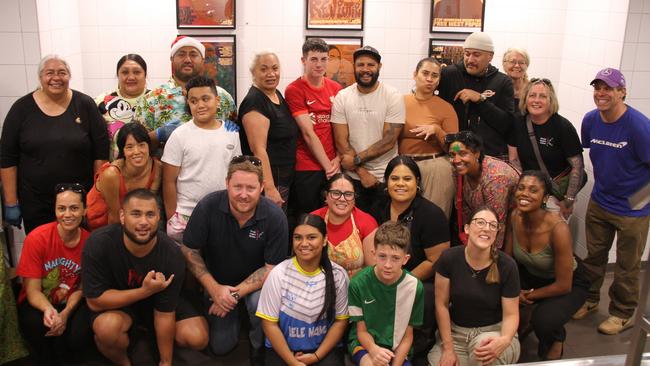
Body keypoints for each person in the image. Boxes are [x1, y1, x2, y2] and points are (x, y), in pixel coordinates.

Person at [178, 155, 288, 364]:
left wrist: (233, 296)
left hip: (256, 288)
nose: (243, 195)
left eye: (251, 188)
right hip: (217, 283)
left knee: (257, 303)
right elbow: (189, 249)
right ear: (227, 184)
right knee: (221, 347)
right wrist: (213, 288)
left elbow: (271, 268)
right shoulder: (208, 206)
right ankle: (235, 315)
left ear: (262, 187)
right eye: (237, 187)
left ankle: (258, 347)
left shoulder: (275, 217)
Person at [82, 189, 208, 365]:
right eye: (136, 214)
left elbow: (164, 313)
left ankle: (150, 344)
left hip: (157, 305)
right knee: (106, 329)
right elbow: (94, 301)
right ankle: (125, 362)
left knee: (197, 338)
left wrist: (165, 362)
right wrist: (144, 291)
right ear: (122, 216)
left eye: (150, 214)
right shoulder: (99, 243)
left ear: (158, 217)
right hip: (119, 306)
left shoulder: (171, 254)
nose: (143, 222)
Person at [574, 68, 650, 335]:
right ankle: (590, 299)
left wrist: (638, 202)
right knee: (593, 256)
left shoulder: (639, 126)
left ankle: (622, 314)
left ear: (622, 92)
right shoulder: (591, 120)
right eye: (597, 88)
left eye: (608, 88)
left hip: (633, 209)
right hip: (600, 201)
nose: (601, 93)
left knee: (627, 265)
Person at [1, 54, 109, 233]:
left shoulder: (85, 105)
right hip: (36, 202)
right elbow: (7, 158)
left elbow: (101, 154)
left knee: (78, 253)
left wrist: (96, 195)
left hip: (79, 202)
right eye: (49, 73)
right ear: (40, 77)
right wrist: (11, 201)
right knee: (43, 252)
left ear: (69, 76)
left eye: (62, 73)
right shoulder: (21, 109)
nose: (56, 78)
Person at [369, 156, 449, 358]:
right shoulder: (377, 208)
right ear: (386, 182)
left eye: (407, 179)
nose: (401, 184)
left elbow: (435, 261)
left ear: (417, 183)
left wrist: (402, 283)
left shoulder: (432, 214)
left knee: (426, 294)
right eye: (395, 178)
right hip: (383, 273)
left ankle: (415, 350)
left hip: (418, 279)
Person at [504, 171, 589, 360]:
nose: (525, 194)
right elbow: (508, 261)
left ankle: (556, 338)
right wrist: (514, 290)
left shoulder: (558, 228)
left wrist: (527, 295)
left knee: (544, 320)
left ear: (545, 197)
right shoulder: (514, 216)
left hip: (568, 283)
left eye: (533, 190)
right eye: (521, 188)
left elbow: (563, 284)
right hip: (533, 274)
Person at [428, 206, 520, 366]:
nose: (487, 228)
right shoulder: (449, 258)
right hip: (456, 333)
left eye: (493, 225)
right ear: (467, 228)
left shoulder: (507, 266)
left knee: (484, 356)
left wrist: (504, 340)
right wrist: (448, 348)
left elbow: (511, 314)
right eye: (481, 222)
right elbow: (441, 305)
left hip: (493, 332)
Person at [256, 214, 349, 365]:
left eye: (312, 237)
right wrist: (293, 362)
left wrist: (316, 356)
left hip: (323, 350)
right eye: (298, 238)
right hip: (283, 350)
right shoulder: (279, 273)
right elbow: (269, 323)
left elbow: (340, 321)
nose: (303, 243)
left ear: (325, 240)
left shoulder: (338, 275)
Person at [16, 183, 91, 365]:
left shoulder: (91, 243)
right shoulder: (37, 238)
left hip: (72, 302)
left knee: (77, 336)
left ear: (84, 210)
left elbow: (82, 289)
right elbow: (32, 291)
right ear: (55, 210)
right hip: (40, 301)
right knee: (38, 328)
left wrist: (65, 313)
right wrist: (49, 310)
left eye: (74, 208)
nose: (67, 215)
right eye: (61, 208)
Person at [162, 76, 241, 242]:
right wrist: (172, 217)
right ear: (188, 103)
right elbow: (168, 181)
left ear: (217, 100)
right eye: (194, 101)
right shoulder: (179, 135)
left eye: (206, 99)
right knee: (187, 263)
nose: (200, 105)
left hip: (222, 212)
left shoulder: (231, 133)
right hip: (186, 214)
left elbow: (236, 174)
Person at [331, 45, 405, 212]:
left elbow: (388, 141)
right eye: (361, 65)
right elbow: (341, 141)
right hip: (352, 178)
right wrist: (361, 171)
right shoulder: (342, 97)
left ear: (379, 67)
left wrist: (356, 160)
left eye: (370, 65)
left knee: (384, 230)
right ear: (354, 67)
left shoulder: (392, 96)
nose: (365, 69)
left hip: (386, 177)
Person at [134, 36, 236, 147]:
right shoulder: (151, 100)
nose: (187, 60)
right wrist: (158, 135)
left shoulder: (223, 97)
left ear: (202, 60)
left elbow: (235, 136)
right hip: (168, 164)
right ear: (172, 59)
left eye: (193, 55)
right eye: (181, 54)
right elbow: (136, 144)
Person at [348, 221, 424, 366]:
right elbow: (361, 332)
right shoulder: (358, 283)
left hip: (398, 347)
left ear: (405, 259)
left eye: (395, 258)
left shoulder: (414, 287)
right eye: (382, 256)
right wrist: (374, 350)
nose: (388, 265)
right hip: (365, 345)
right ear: (373, 254)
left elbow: (407, 337)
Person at [507, 78, 584, 219]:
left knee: (552, 239)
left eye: (543, 96)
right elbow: (513, 158)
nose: (536, 100)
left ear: (551, 101)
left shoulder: (562, 126)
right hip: (528, 193)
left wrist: (568, 200)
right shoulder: (518, 122)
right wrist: (524, 188)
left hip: (556, 196)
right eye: (532, 95)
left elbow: (577, 166)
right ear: (525, 98)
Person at [285, 38, 342, 218]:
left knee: (332, 217)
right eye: (314, 59)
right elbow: (308, 133)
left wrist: (339, 159)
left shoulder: (336, 88)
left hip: (334, 164)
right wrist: (329, 168)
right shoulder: (294, 89)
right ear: (304, 61)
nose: (319, 64)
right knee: (307, 220)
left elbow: (341, 128)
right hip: (307, 167)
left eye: (323, 59)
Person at [437, 32, 515, 160]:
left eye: (476, 55)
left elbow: (507, 124)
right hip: (455, 153)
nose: (470, 59)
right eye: (467, 54)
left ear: (490, 56)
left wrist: (481, 100)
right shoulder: (449, 75)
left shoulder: (502, 81)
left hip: (489, 156)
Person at [238, 51, 298, 209]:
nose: (271, 74)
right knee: (269, 228)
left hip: (284, 177)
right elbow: (258, 150)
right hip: (271, 182)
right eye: (263, 69)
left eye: (275, 68)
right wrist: (270, 188)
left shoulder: (275, 93)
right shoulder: (255, 101)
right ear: (253, 73)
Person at [400, 57, 459, 217]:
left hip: (436, 167)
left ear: (439, 80)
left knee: (434, 219)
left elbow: (456, 148)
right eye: (425, 73)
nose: (429, 79)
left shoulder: (446, 108)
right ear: (415, 74)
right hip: (404, 167)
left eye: (434, 75)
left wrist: (437, 130)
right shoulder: (399, 102)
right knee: (401, 220)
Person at [446, 131, 519, 248]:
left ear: (477, 154)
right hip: (484, 223)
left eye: (463, 153)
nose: (456, 160)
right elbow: (464, 208)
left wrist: (492, 257)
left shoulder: (495, 178)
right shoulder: (458, 171)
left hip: (512, 231)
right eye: (452, 155)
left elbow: (497, 224)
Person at [85, 123, 162, 231]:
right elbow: (114, 218)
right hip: (100, 224)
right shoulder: (111, 174)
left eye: (141, 145)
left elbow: (147, 205)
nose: (137, 151)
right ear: (123, 151)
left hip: (132, 223)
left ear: (148, 146)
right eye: (129, 147)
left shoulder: (157, 168)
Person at [312, 173, 378, 278]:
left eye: (348, 194)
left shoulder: (367, 222)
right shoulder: (313, 219)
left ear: (354, 198)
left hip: (354, 289)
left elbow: (373, 269)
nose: (342, 199)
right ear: (326, 196)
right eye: (336, 193)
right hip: (317, 287)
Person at [95, 54, 150, 160]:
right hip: (113, 171)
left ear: (145, 75)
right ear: (118, 75)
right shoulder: (102, 102)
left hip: (149, 170)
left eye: (137, 72)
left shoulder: (157, 100)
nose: (131, 77)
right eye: (125, 72)